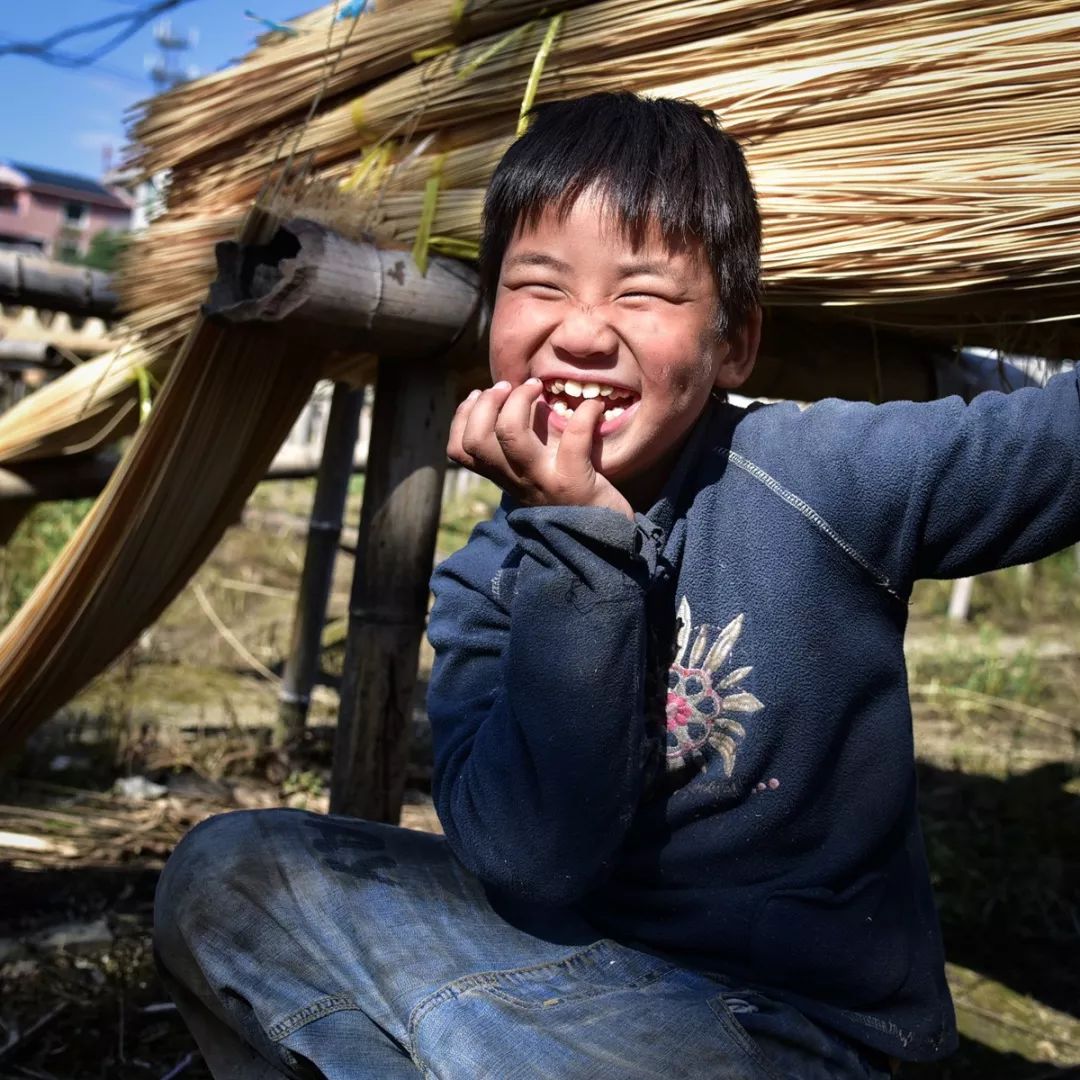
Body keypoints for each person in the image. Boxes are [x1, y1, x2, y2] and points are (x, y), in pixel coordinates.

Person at [154, 92, 1080, 1079]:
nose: (583, 334)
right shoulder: (484, 581)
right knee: (229, 876)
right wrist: (577, 542)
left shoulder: (817, 475)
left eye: (643, 292)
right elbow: (533, 859)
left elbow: (1052, 447)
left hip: (810, 1037)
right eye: (539, 285)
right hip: (566, 995)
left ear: (735, 342)